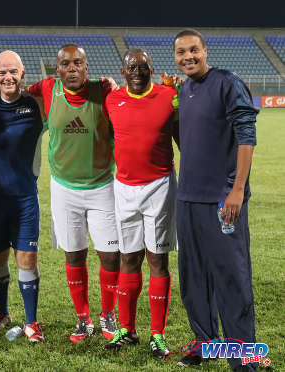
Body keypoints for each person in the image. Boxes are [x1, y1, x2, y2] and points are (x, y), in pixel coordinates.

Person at [173, 29, 258, 372]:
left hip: (223, 201)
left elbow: (246, 136)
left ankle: (245, 361)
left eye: (194, 50)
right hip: (188, 198)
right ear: (175, 57)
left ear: (205, 51)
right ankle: (205, 346)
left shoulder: (228, 82)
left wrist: (237, 189)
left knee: (232, 280)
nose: (188, 57)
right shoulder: (184, 89)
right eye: (181, 52)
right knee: (194, 279)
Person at [28, 44, 120, 343]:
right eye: (65, 64)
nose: (71, 68)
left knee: (111, 256)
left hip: (103, 186)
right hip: (64, 189)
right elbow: (13, 91)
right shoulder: (46, 89)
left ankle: (108, 314)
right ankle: (83, 319)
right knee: (74, 254)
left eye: (77, 63)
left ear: (86, 66)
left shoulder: (103, 92)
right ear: (57, 69)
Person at [103, 49, 178, 359]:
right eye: (131, 66)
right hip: (124, 188)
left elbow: (183, 135)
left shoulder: (168, 96)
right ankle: (126, 329)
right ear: (123, 71)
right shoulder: (112, 100)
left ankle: (157, 335)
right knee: (128, 258)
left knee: (157, 259)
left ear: (151, 69)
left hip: (160, 185)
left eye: (143, 66)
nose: (137, 71)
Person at [0, 51, 44, 341]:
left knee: (27, 257)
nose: (8, 77)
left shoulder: (34, 105)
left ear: (23, 72)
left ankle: (31, 323)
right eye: (2, 72)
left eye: (13, 71)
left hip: (24, 198)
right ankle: (2, 313)